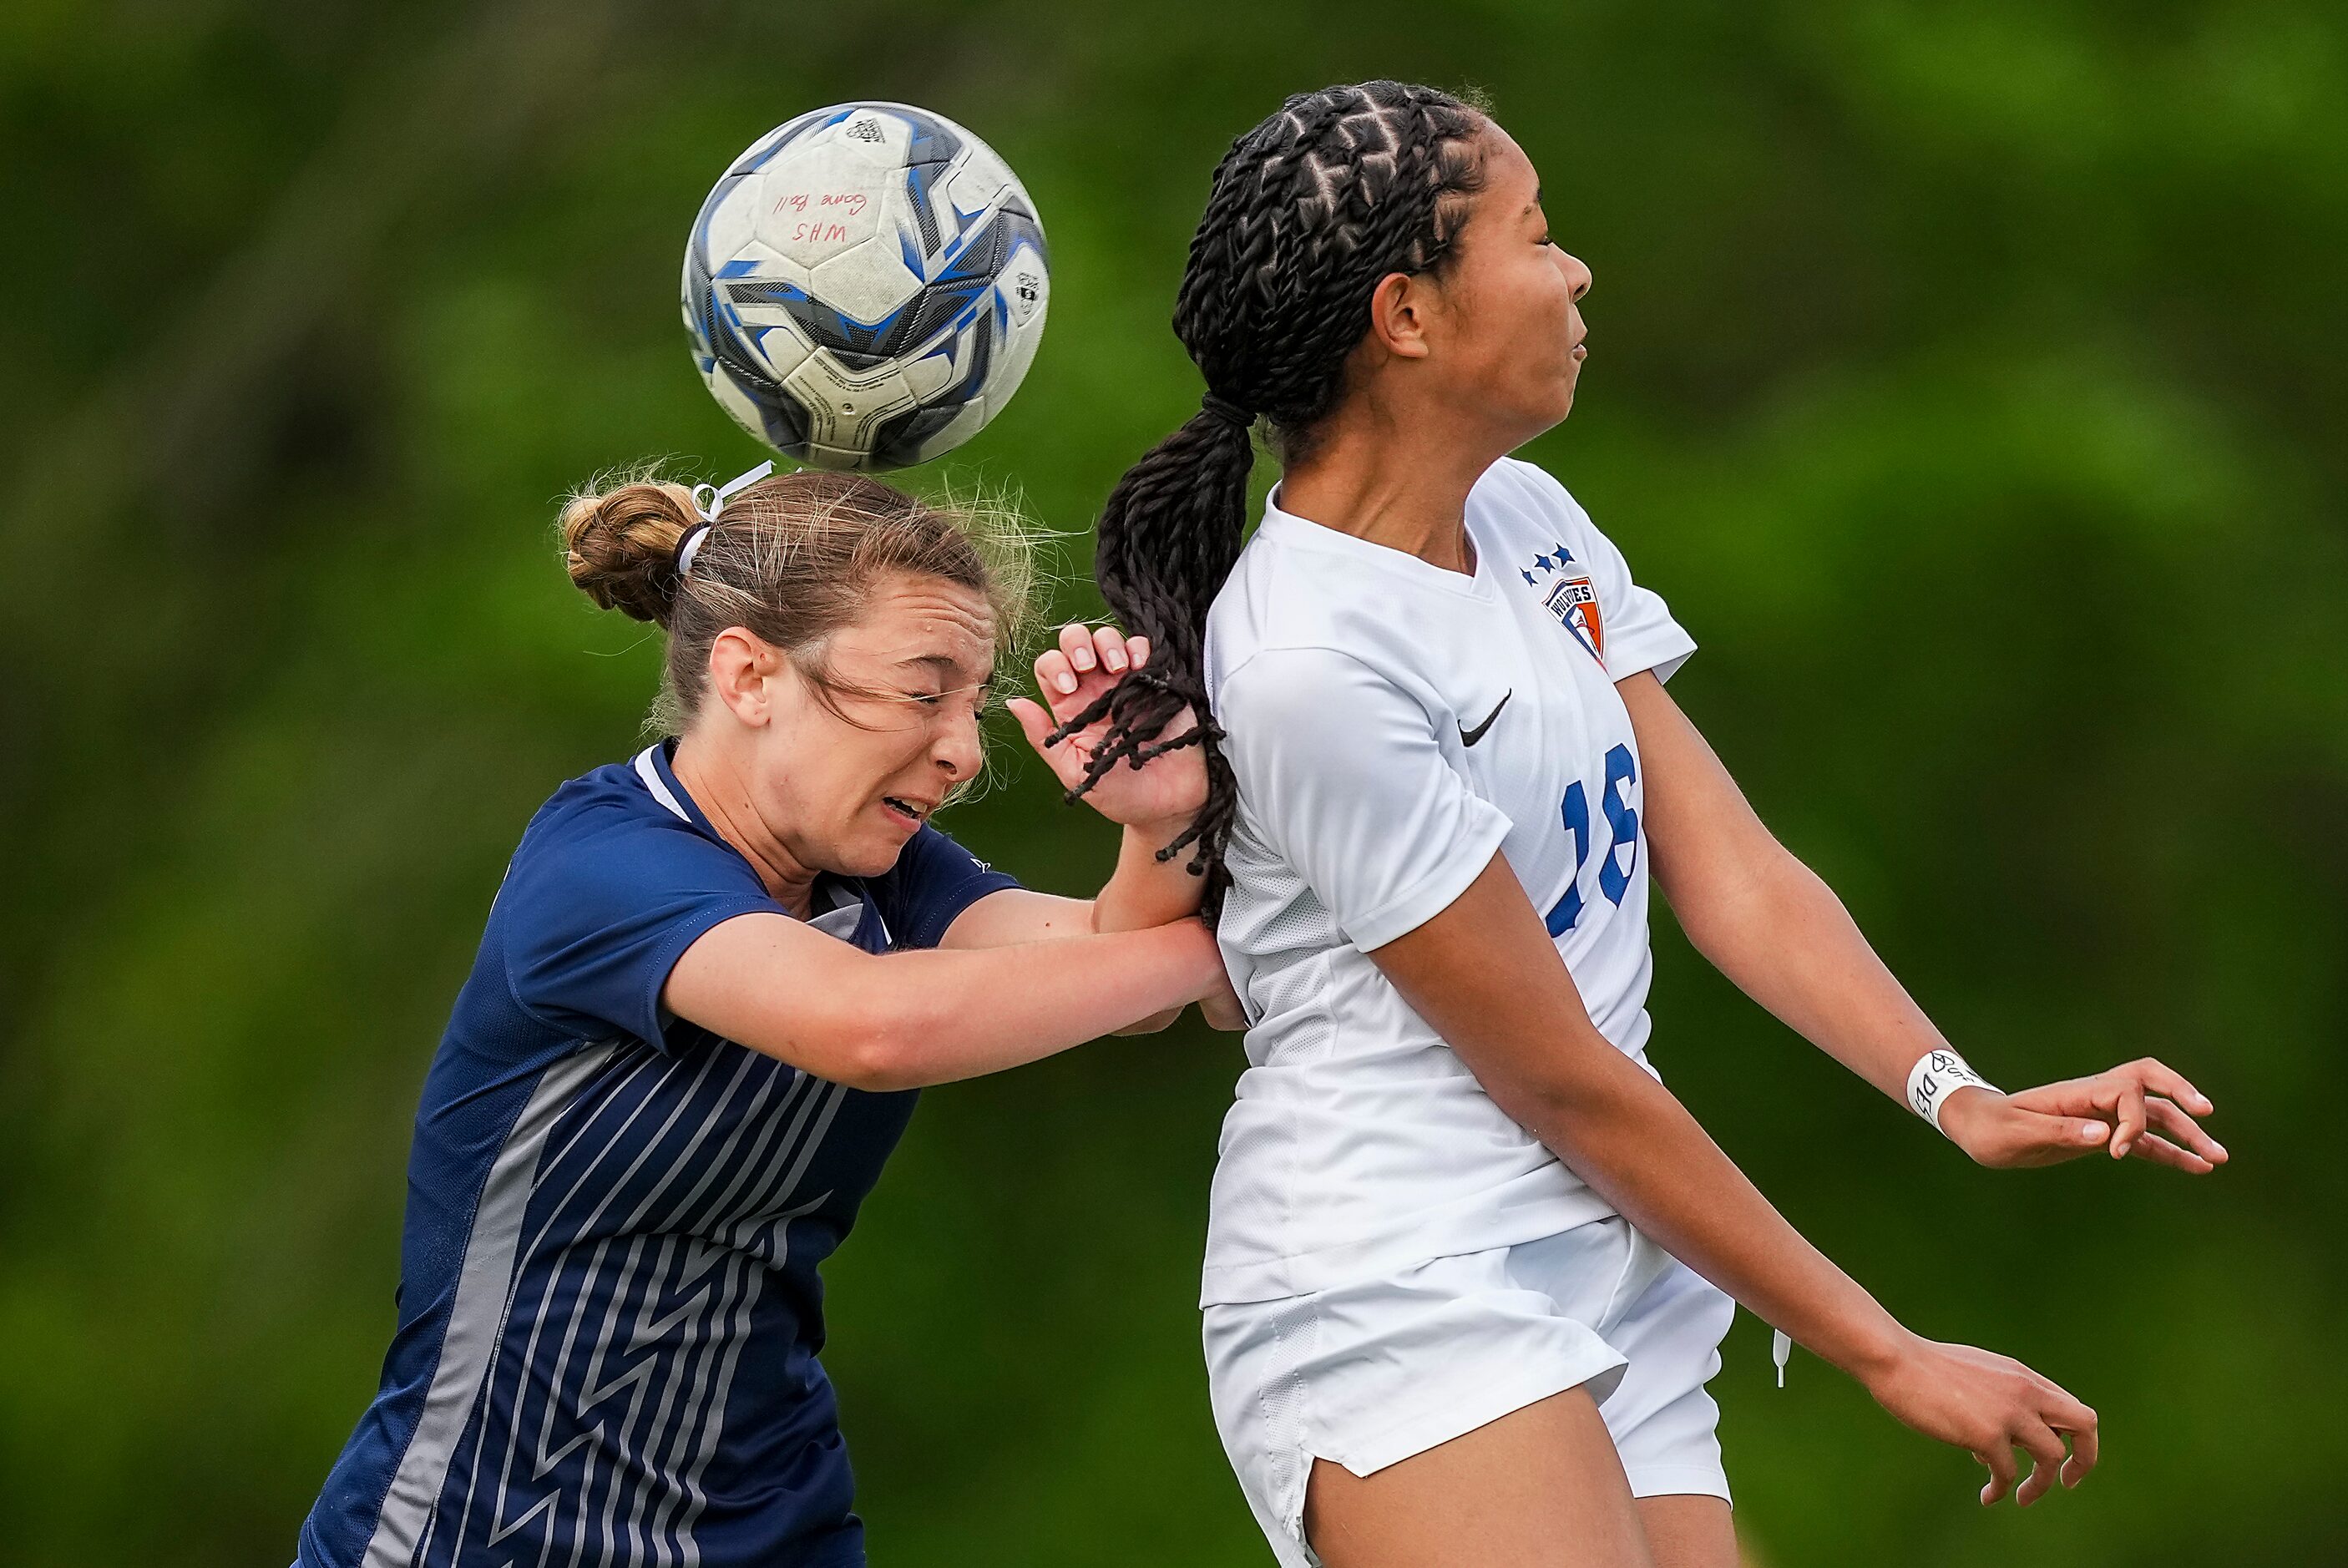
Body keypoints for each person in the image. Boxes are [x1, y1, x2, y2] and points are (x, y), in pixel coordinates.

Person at [1055, 81, 2230, 1568]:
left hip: (1604, 1264)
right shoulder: (1309, 663)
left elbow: (1730, 871)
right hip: (1400, 1283)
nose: (1576, 272)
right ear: (1406, 314)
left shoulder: (1530, 518)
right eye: (1535, 238)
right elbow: (1559, 1077)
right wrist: (1882, 1346)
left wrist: (1959, 1095)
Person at [293, 464, 1232, 1568]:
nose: (964, 751)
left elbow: (1104, 975)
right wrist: (1224, 948)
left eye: (971, 702)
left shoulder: (884, 875)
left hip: (772, 1525)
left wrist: (1160, 816)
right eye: (922, 691)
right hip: (482, 1534)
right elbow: (869, 1029)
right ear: (747, 675)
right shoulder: (603, 862)